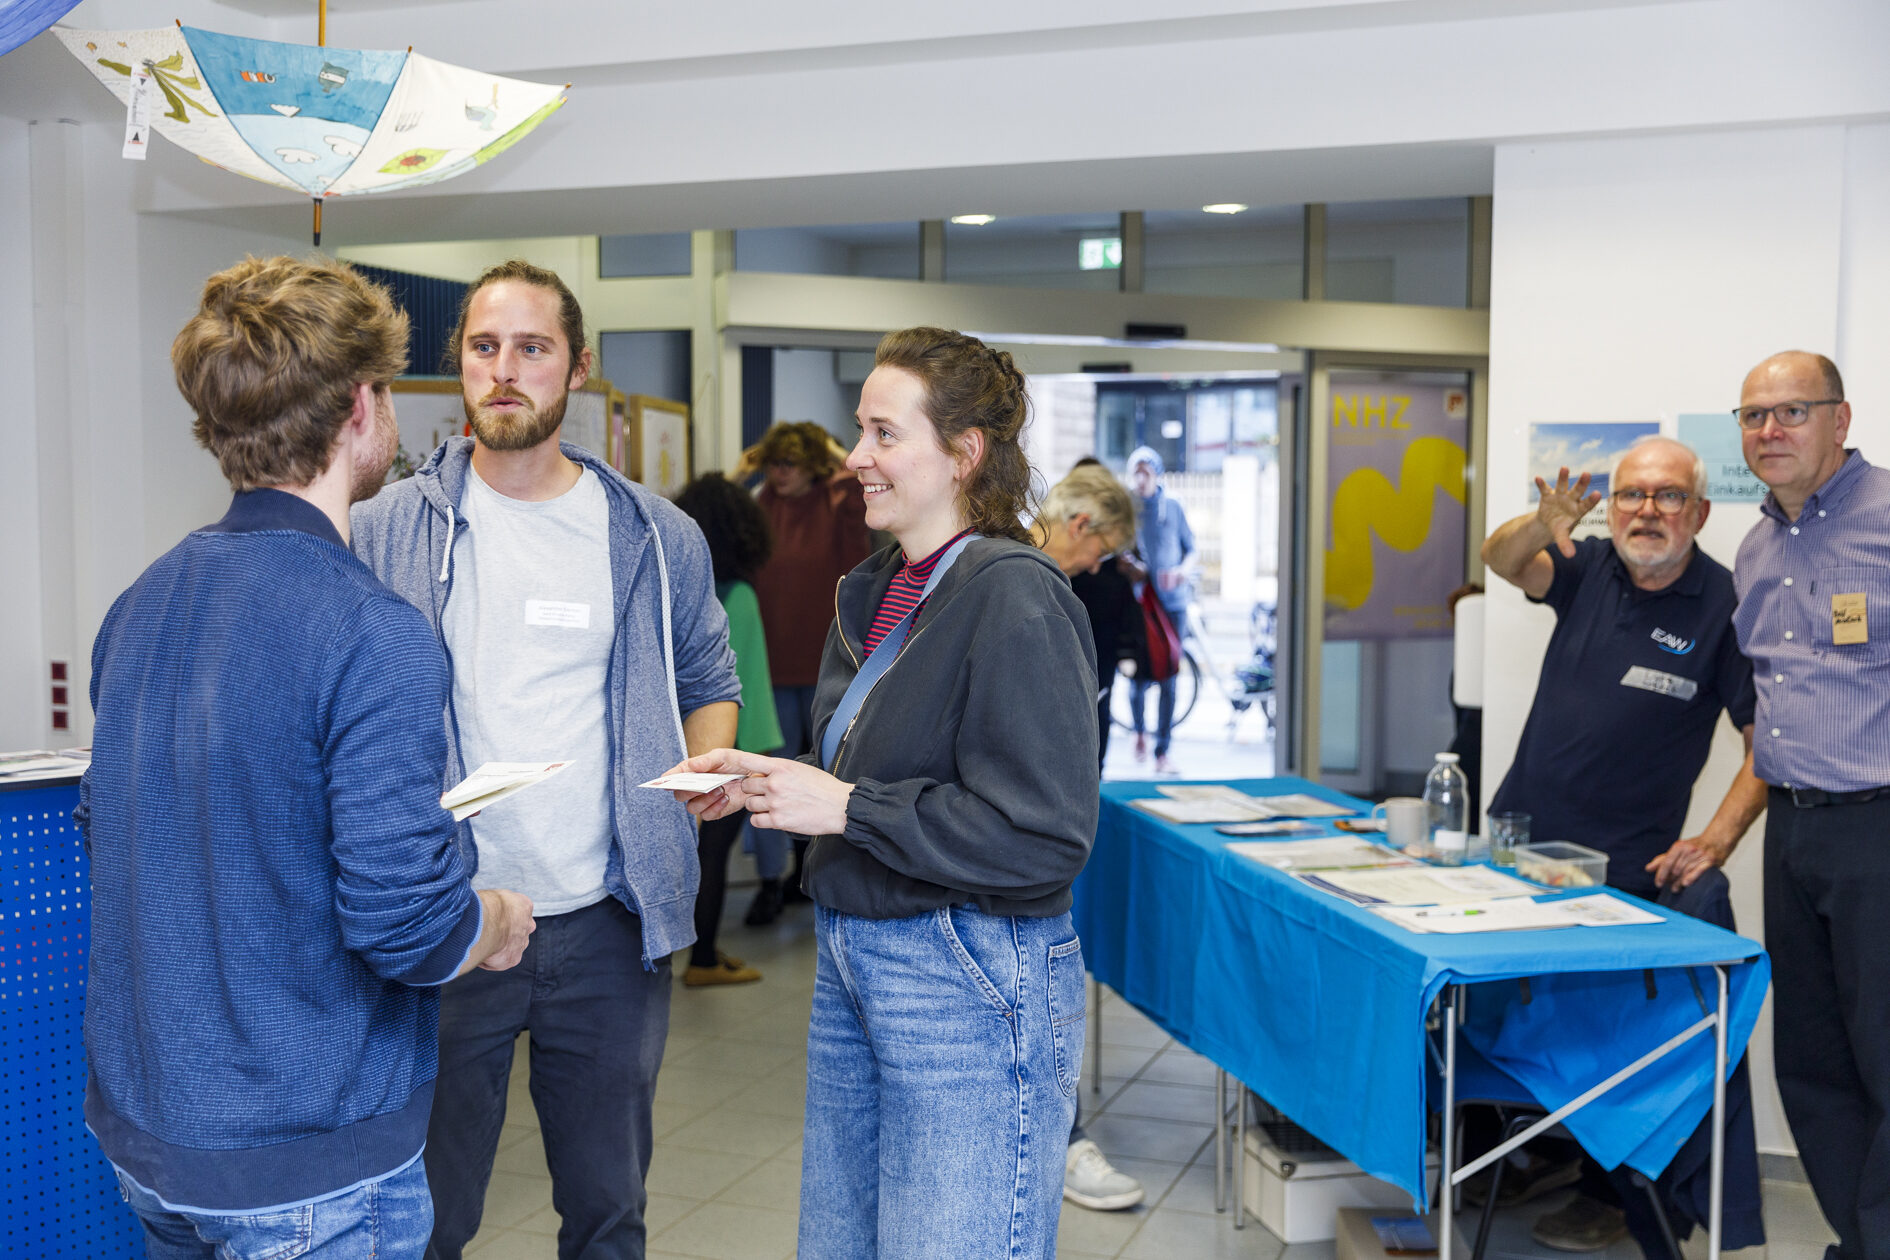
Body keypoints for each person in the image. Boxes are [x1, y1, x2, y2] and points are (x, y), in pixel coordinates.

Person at [79, 256, 536, 1259]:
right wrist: (497, 918)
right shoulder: (372, 629)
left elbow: (121, 835)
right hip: (308, 1169)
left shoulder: (140, 604)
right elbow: (406, 927)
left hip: (153, 1144)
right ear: (365, 406)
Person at [670, 327, 1100, 1257]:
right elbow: (866, 776)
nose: (856, 457)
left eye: (882, 433)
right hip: (858, 958)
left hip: (968, 974)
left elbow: (1045, 837)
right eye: (860, 430)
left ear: (964, 454)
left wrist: (847, 809)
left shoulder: (1014, 596)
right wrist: (766, 784)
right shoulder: (875, 590)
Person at [350, 259, 741, 1260]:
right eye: (485, 348)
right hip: (448, 923)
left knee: (607, 1214)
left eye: (533, 348)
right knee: (432, 1218)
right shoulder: (390, 526)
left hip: (608, 926)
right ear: (461, 366)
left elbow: (708, 672)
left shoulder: (653, 535)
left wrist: (708, 765)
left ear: (578, 368)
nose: (506, 370)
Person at [1480, 434, 1766, 1251]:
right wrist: (1544, 524)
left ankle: (1621, 1194)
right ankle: (1514, 1154)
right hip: (1520, 850)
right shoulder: (1590, 566)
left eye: (1668, 496)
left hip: (1625, 878)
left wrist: (1714, 838)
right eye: (1633, 494)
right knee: (1492, 1018)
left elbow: (1764, 742)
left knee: (1618, 1038)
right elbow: (1503, 560)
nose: (1647, 510)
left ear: (1700, 512)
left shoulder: (1727, 605)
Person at [1730, 351, 1890, 1259]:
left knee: (1885, 1056)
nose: (1770, 431)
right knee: (1812, 1058)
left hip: (1879, 825)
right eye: (1754, 416)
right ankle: (1857, 1238)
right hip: (1791, 828)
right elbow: (1766, 697)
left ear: (1841, 418)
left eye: (1793, 412)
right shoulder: (1758, 545)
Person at [1032, 463, 1147, 1212]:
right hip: (1021, 823)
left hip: (1048, 811)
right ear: (1080, 527)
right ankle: (1061, 1142)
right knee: (1044, 980)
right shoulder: (1018, 583)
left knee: (1048, 976)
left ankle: (1055, 1134)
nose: (1099, 566)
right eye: (1100, 549)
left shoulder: (1047, 583)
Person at [737, 420, 873, 923]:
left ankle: (806, 873)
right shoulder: (760, 505)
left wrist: (832, 450)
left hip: (823, 668)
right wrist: (746, 468)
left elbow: (856, 490)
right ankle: (770, 882)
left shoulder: (836, 505)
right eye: (772, 463)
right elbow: (720, 513)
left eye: (789, 463)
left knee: (818, 770)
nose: (779, 472)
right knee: (764, 775)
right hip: (765, 667)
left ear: (811, 465)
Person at [672, 472, 785, 986]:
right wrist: (764, 756)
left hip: (681, 739)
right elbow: (749, 684)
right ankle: (704, 959)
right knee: (713, 854)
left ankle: (699, 954)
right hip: (729, 746)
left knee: (698, 850)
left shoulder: (677, 591)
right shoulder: (737, 594)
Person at [1125, 445, 1194, 774]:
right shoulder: (1127, 509)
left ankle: (1162, 750)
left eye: (1146, 472)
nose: (1140, 479)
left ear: (1156, 474)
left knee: (1169, 678)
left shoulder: (1174, 508)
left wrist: (1180, 570)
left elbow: (1191, 550)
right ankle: (1138, 731)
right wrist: (1133, 567)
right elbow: (1118, 554)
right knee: (1138, 677)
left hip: (1173, 603)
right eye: (1135, 472)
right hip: (1140, 605)